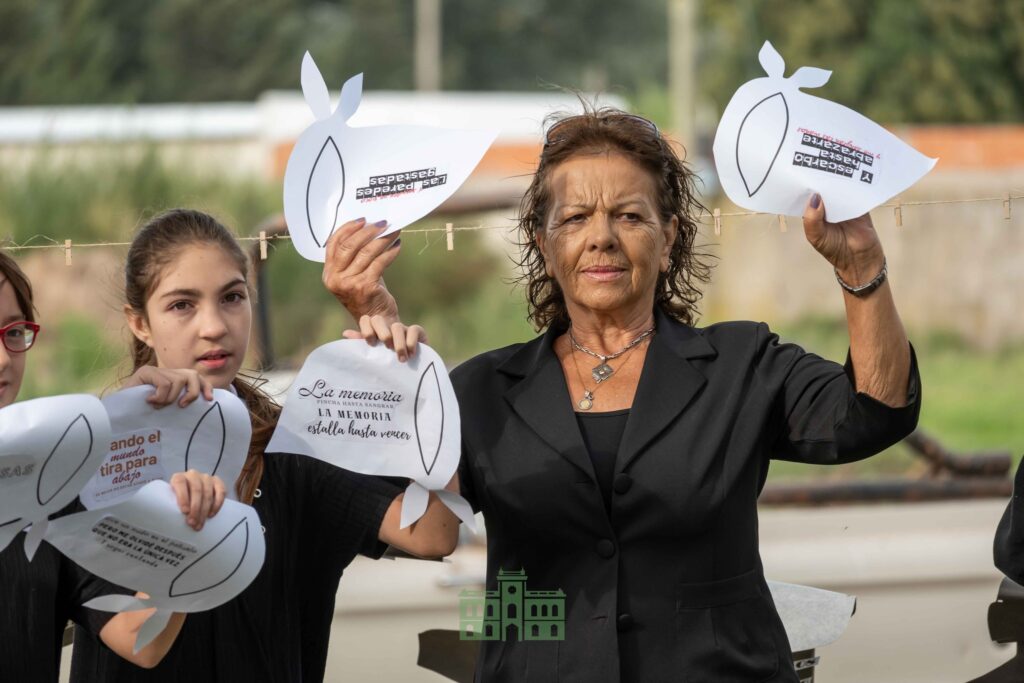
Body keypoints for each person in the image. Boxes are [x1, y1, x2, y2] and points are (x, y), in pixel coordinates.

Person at [327, 109, 922, 681]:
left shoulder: (742, 365)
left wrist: (861, 268)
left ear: (668, 240)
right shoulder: (481, 391)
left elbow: (874, 413)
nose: (602, 238)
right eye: (575, 218)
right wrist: (393, 370)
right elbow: (426, 532)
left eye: (630, 216)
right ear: (542, 244)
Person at [71, 209, 460, 682]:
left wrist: (412, 380)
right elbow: (139, 641)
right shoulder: (95, 459)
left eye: (232, 297)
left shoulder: (293, 449)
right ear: (140, 323)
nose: (214, 326)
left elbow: (434, 532)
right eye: (182, 305)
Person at [0, 251, 225, 681]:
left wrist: (188, 532)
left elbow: (140, 640)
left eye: (13, 332)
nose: (4, 360)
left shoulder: (50, 487)